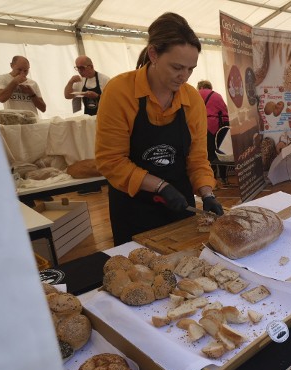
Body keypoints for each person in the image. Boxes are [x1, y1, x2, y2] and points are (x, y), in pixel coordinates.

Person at [95, 12, 223, 245]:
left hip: (179, 203)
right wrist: (160, 186)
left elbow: (197, 158)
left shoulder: (191, 99)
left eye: (190, 69)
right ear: (153, 54)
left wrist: (207, 194)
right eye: (177, 67)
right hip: (133, 205)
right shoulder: (120, 92)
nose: (184, 76)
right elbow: (111, 160)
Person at [196, 79, 229, 162]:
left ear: (201, 87)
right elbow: (226, 109)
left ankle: (212, 172)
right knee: (222, 152)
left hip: (209, 125)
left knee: (209, 151)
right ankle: (223, 174)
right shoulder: (218, 95)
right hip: (224, 125)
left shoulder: (199, 93)